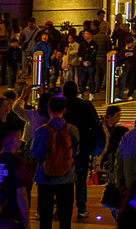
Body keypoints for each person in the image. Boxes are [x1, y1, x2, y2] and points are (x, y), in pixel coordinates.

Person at [25, 94, 77, 229]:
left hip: (45, 177)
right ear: (64, 110)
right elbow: (76, 151)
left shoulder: (41, 131)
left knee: (45, 217)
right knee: (65, 218)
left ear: (49, 110)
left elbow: (34, 153)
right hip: (67, 177)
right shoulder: (72, 130)